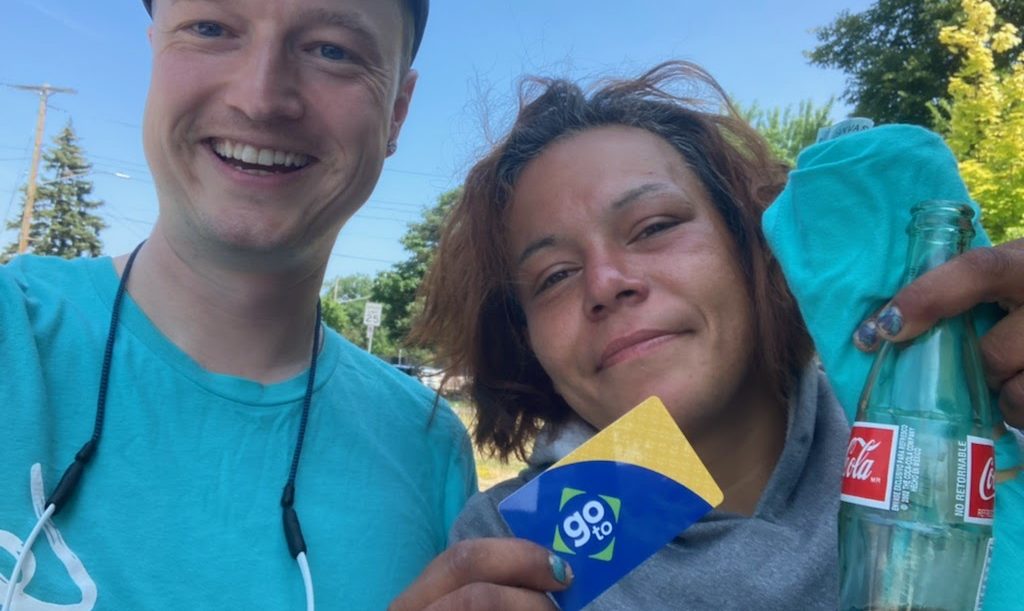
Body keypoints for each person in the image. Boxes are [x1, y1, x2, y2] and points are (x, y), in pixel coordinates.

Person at [391, 61, 1024, 609]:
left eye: (655, 226)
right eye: (554, 275)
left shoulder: (977, 448)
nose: (606, 283)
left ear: (755, 247)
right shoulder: (506, 553)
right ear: (525, 340)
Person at [0, 1, 476, 609]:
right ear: (156, 53)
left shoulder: (427, 446)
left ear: (397, 114)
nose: (260, 98)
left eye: (332, 50)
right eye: (211, 29)